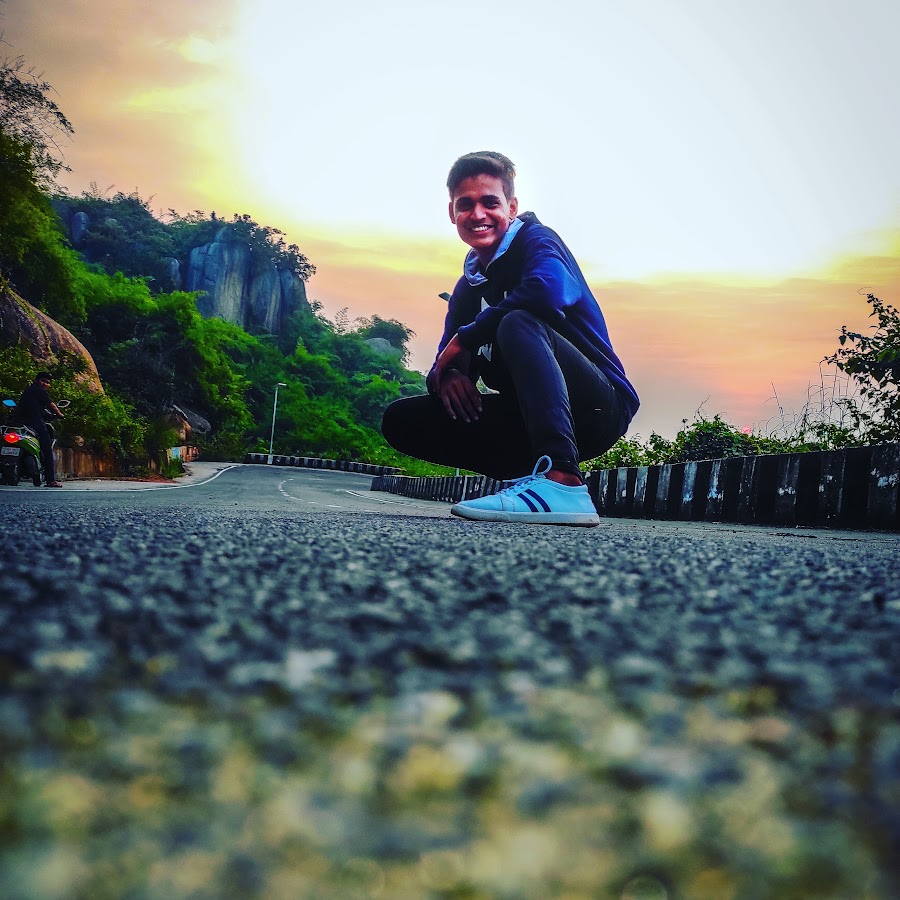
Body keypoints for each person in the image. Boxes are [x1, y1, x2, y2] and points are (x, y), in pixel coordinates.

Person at [381, 151, 640, 526]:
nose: (478, 214)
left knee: (517, 322)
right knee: (402, 420)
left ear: (512, 207)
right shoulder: (468, 287)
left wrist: (467, 337)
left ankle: (563, 482)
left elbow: (547, 291)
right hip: (525, 419)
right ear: (452, 213)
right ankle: (529, 480)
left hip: (598, 408)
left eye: (490, 202)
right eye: (465, 204)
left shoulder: (538, 242)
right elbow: (444, 363)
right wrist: (449, 376)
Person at [18, 372, 64, 487]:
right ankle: (51, 480)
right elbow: (51, 406)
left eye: (48, 382)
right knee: (47, 449)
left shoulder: (27, 390)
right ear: (36, 380)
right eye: (43, 381)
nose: (45, 384)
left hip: (19, 423)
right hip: (35, 423)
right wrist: (60, 414)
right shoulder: (40, 391)